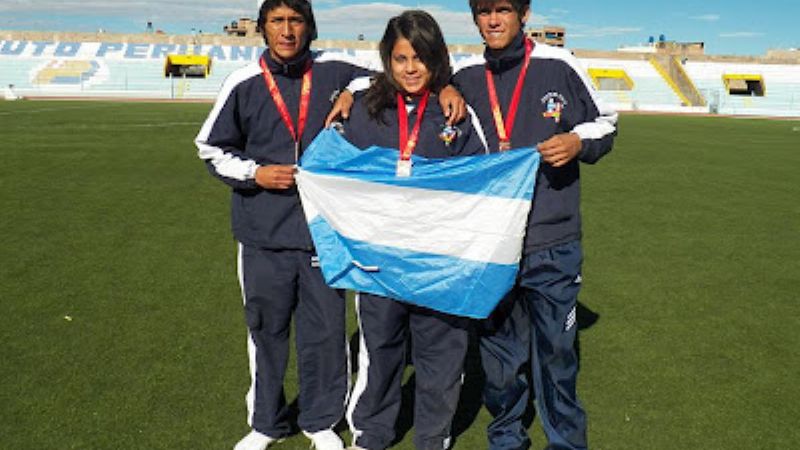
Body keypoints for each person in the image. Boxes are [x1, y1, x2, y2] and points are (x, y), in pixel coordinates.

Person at [195, 1, 467, 448]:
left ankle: (321, 421)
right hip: (263, 232)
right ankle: (265, 423)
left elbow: (397, 69)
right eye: (277, 22)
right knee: (266, 329)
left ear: (310, 27)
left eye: (296, 21)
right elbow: (210, 147)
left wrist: (444, 85)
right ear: (263, 28)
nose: (287, 31)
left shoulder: (336, 69)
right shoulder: (243, 82)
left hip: (326, 231)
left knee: (324, 332)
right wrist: (255, 173)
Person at [452, 1, 618, 449]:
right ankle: (507, 437)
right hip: (491, 243)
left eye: (503, 9)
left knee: (556, 354)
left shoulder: (558, 65)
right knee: (499, 359)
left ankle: (566, 442)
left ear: (523, 13)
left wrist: (577, 140)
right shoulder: (463, 75)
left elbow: (606, 123)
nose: (493, 20)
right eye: (483, 11)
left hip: (552, 240)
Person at [340, 10, 488, 450]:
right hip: (379, 261)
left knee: (441, 355)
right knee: (379, 351)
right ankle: (371, 434)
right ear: (388, 59)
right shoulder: (364, 108)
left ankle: (433, 436)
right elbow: (335, 171)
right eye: (401, 58)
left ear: (436, 58)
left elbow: (482, 179)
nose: (410, 68)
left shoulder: (456, 112)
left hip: (438, 263)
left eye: (420, 58)